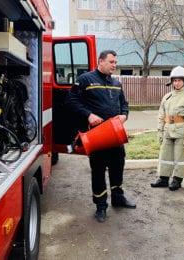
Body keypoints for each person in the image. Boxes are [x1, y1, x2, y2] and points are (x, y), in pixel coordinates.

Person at [69, 50, 136, 223]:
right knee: (98, 171)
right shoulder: (85, 79)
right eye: (111, 62)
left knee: (118, 167)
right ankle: (101, 206)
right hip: (97, 137)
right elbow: (71, 101)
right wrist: (88, 114)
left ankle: (118, 198)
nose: (115, 65)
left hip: (115, 136)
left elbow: (124, 104)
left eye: (116, 62)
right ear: (101, 61)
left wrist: (124, 115)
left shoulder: (116, 83)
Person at [151, 66, 184, 191]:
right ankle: (163, 179)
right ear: (171, 81)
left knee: (180, 156)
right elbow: (161, 115)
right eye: (175, 80)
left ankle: (177, 180)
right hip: (168, 129)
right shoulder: (167, 97)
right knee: (165, 155)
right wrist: (160, 130)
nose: (177, 83)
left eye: (179, 80)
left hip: (181, 131)